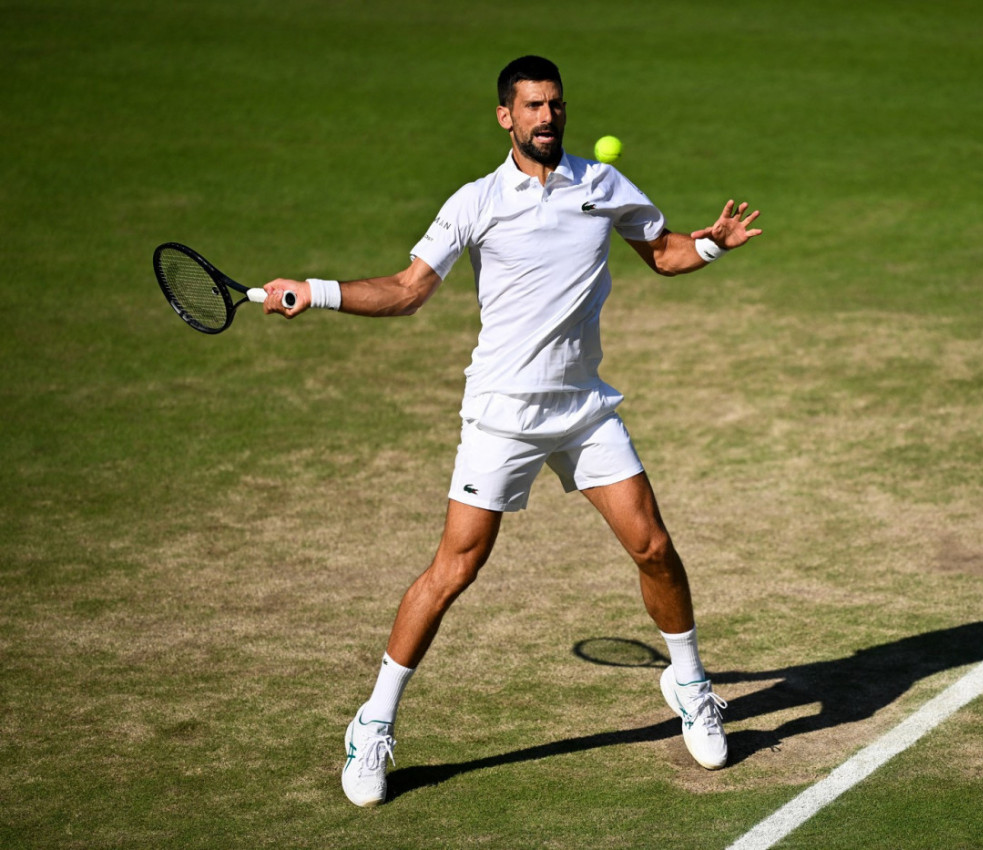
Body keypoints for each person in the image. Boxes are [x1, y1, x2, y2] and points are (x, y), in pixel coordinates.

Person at [263, 55, 762, 807]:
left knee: (652, 545)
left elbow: (663, 253)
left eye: (556, 105)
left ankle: (690, 684)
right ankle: (372, 723)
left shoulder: (603, 185)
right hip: (502, 414)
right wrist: (318, 291)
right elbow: (405, 292)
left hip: (583, 409)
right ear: (506, 116)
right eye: (532, 107)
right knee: (453, 570)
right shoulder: (473, 203)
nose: (547, 118)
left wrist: (713, 243)